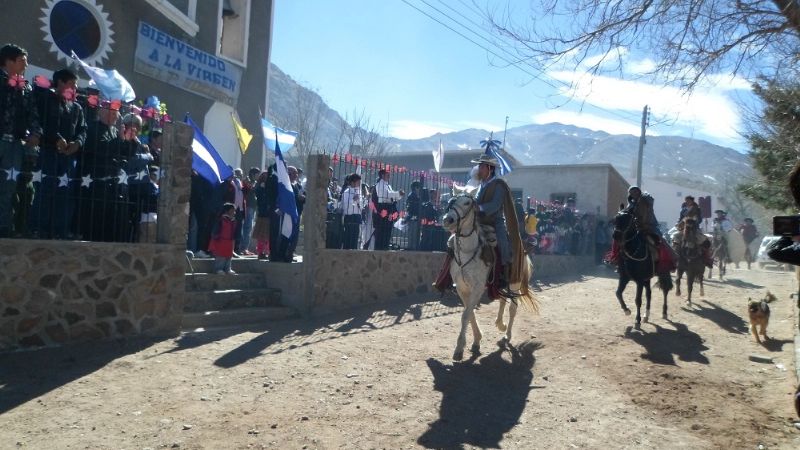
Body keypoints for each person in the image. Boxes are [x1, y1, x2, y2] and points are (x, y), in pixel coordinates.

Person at [29, 68, 86, 239]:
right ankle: (38, 228)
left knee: (65, 194)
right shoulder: (45, 99)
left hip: (68, 157)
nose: (74, 90)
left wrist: (77, 143)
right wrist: (55, 139)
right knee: (44, 191)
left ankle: (60, 230)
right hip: (48, 152)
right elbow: (40, 122)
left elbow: (83, 129)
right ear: (60, 82)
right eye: (72, 85)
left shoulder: (76, 107)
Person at [0, 43, 41, 238]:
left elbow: (33, 114)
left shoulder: (26, 87)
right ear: (9, 61)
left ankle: (4, 226)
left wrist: (35, 132)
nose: (26, 65)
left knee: (8, 185)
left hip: (15, 143)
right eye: (22, 61)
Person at [471, 153, 525, 288]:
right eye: (479, 166)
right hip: (480, 221)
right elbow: (476, 202)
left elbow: (495, 205)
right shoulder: (481, 185)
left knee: (502, 244)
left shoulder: (499, 185)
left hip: (495, 222)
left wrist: (479, 207)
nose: (479, 169)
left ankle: (505, 272)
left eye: (481, 166)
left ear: (489, 168)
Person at [371, 168, 403, 250]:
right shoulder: (380, 185)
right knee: (381, 234)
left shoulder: (388, 185)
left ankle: (384, 249)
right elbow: (386, 196)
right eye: (387, 174)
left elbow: (393, 198)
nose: (389, 175)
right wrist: (397, 194)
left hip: (388, 210)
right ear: (382, 175)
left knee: (387, 233)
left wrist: (398, 195)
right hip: (382, 210)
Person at [208, 203, 237, 275]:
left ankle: (228, 269)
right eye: (232, 210)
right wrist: (216, 239)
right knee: (221, 256)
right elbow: (215, 231)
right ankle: (218, 269)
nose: (234, 212)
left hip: (229, 241)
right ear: (227, 211)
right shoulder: (221, 220)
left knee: (229, 256)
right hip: (221, 241)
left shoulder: (233, 221)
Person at [239, 167, 260, 255]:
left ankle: (245, 247)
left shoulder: (256, 183)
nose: (258, 176)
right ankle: (243, 248)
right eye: (257, 174)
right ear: (252, 174)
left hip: (253, 207)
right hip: (247, 206)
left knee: (249, 227)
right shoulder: (246, 181)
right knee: (246, 227)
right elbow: (248, 189)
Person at [340, 173, 363, 249]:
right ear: (352, 182)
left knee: (355, 239)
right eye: (358, 182)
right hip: (350, 217)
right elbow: (345, 207)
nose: (359, 184)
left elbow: (361, 206)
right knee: (348, 239)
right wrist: (353, 200)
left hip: (357, 217)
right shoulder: (346, 192)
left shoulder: (359, 192)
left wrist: (361, 203)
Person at [253, 170, 271, 260]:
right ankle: (260, 252)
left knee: (268, 235)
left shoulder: (270, 186)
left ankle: (267, 251)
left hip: (269, 214)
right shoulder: (259, 187)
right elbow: (258, 196)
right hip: (262, 213)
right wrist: (262, 188)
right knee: (261, 235)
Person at [404, 180, 422, 250]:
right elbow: (413, 208)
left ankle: (411, 247)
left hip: (412, 217)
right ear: (416, 188)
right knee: (413, 233)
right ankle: (412, 248)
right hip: (413, 217)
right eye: (419, 187)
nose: (420, 189)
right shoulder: (413, 196)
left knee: (412, 233)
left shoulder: (412, 195)